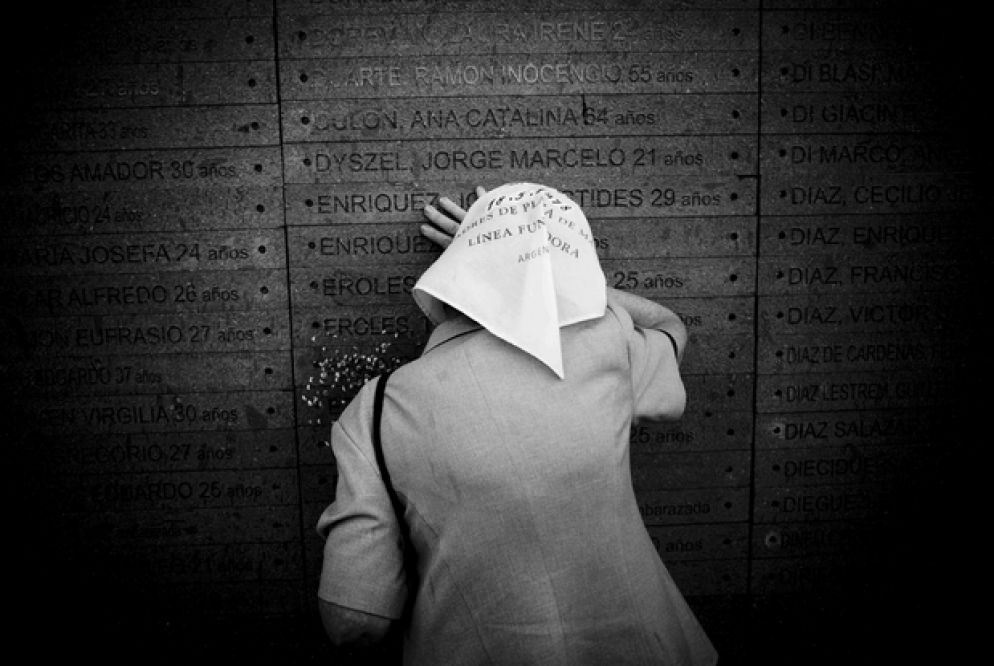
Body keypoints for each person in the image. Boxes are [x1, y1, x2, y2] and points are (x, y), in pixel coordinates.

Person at [315, 183, 717, 665]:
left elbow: (355, 621)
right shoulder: (608, 342)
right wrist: (536, 265)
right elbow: (670, 327)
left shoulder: (376, 409)